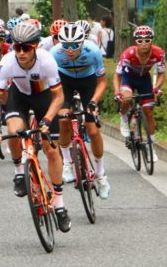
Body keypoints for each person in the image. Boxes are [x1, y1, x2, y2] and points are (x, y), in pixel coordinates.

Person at [0, 22, 71, 233]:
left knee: (51, 150)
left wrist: (48, 119)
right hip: (20, 97)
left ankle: (60, 206)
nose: (21, 52)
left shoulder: (47, 61)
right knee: (14, 132)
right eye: (17, 47)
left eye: (26, 48)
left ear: (35, 46)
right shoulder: (7, 63)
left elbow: (59, 96)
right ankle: (18, 171)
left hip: (44, 98)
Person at [51, 23, 110, 199]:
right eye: (66, 45)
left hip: (88, 82)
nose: (70, 50)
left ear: (82, 43)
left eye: (75, 45)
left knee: (92, 131)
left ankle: (101, 175)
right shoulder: (54, 54)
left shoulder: (92, 51)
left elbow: (102, 82)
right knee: (63, 119)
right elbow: (51, 84)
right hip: (65, 81)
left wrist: (93, 101)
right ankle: (68, 163)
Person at [114, 25, 164, 162]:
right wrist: (117, 92)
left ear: (152, 41)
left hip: (144, 80)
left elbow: (161, 74)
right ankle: (124, 118)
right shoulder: (128, 54)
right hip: (128, 78)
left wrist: (157, 87)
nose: (143, 44)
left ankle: (150, 147)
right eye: (140, 40)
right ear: (135, 41)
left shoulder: (158, 53)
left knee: (148, 112)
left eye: (147, 40)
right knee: (127, 98)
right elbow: (117, 75)